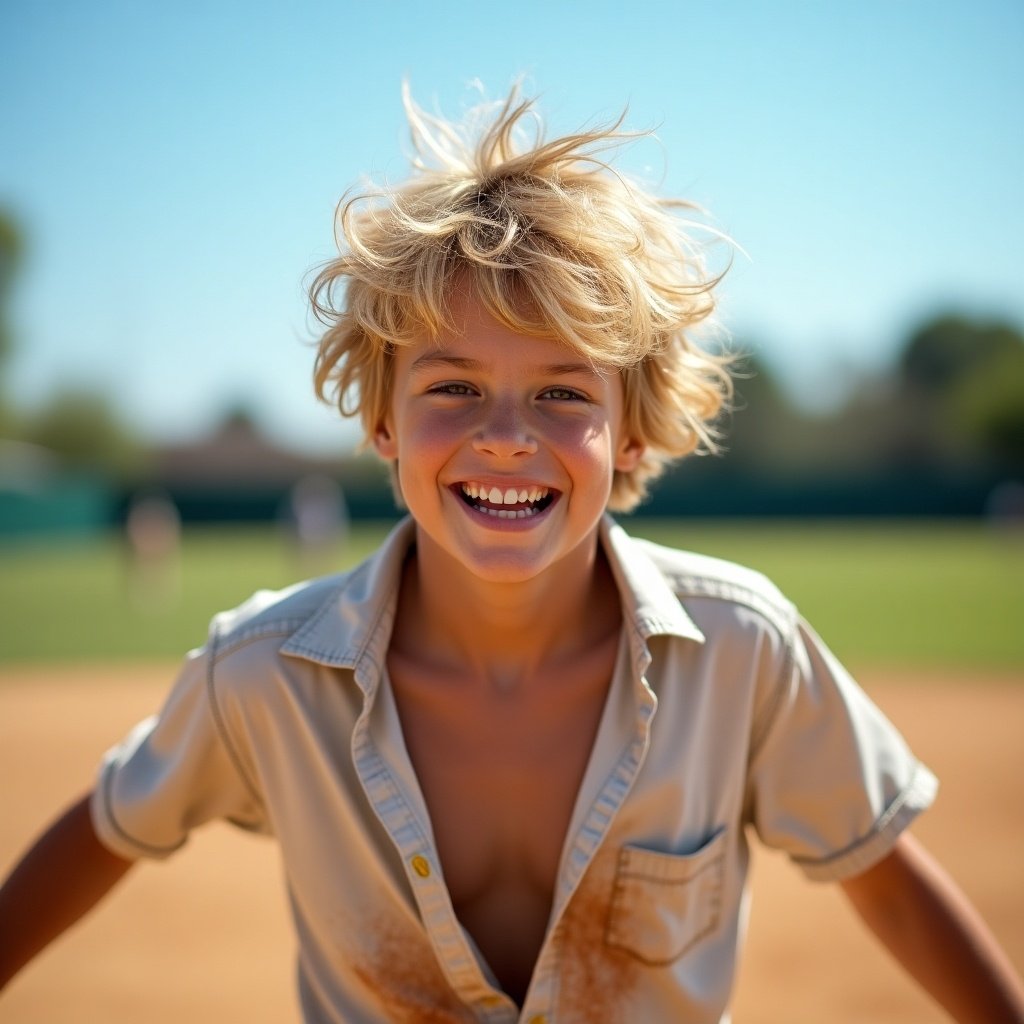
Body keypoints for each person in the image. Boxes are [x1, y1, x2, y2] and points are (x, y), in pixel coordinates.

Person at [1, 86, 1022, 1024]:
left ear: (629, 434)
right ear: (382, 421)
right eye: (450, 387)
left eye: (562, 392)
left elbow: (882, 877)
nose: (504, 433)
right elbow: (110, 821)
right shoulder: (262, 675)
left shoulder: (740, 650)